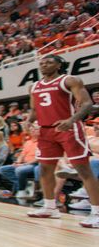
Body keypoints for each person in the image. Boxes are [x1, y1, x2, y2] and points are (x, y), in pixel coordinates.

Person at [26, 55, 99, 228]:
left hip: (68, 128)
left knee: (83, 169)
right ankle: (50, 207)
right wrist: (28, 121)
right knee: (44, 169)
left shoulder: (70, 80)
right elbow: (35, 109)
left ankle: (96, 212)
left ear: (59, 65)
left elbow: (87, 103)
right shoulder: (34, 86)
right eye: (42, 63)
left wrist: (72, 120)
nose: (44, 65)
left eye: (49, 62)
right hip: (45, 130)